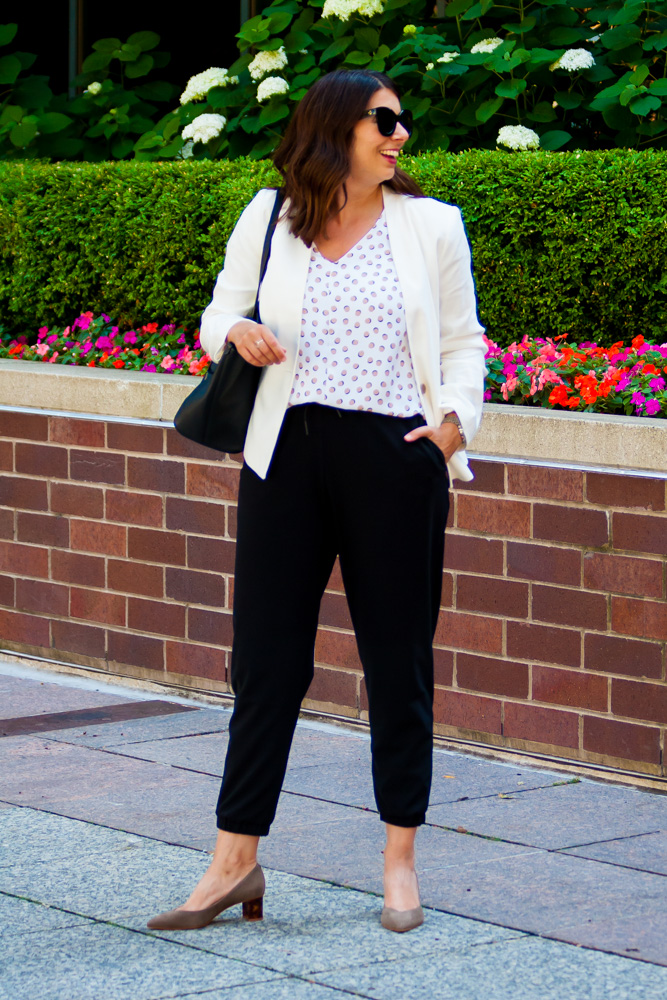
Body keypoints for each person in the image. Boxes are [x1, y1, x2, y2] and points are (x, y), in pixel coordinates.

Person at [148, 69, 486, 935]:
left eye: (401, 122)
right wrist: (237, 333)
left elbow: (460, 342)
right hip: (284, 456)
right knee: (265, 663)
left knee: (396, 660)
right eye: (382, 120)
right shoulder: (269, 218)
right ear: (335, 128)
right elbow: (216, 313)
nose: (398, 134)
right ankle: (233, 862)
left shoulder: (430, 226)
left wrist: (450, 430)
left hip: (393, 456)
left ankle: (399, 863)